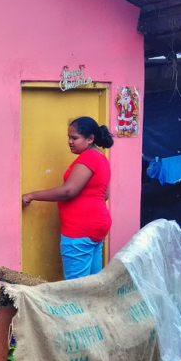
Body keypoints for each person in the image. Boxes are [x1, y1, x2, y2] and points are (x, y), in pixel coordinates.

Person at [21, 116, 113, 280]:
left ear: (90, 138)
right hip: (97, 227)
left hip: (80, 230)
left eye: (74, 138)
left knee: (75, 289)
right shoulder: (101, 158)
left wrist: (32, 195)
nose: (70, 142)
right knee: (93, 284)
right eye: (69, 138)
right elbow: (105, 194)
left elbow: (68, 191)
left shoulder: (88, 158)